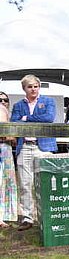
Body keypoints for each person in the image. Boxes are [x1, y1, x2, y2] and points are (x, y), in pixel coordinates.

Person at [10, 74, 57, 231]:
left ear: (39, 87)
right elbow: (14, 122)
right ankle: (27, 218)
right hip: (24, 147)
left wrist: (25, 118)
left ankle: (48, 215)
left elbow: (49, 118)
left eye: (35, 86)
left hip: (43, 146)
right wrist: (30, 119)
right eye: (29, 87)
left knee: (46, 183)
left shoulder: (48, 101)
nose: (33, 89)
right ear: (25, 89)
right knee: (25, 184)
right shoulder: (18, 105)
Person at [0, 93, 18, 227]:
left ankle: (4, 215)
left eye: (5, 100)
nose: (3, 101)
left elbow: (12, 139)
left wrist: (9, 138)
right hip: (2, 149)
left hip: (6, 151)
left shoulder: (8, 114)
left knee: (7, 182)